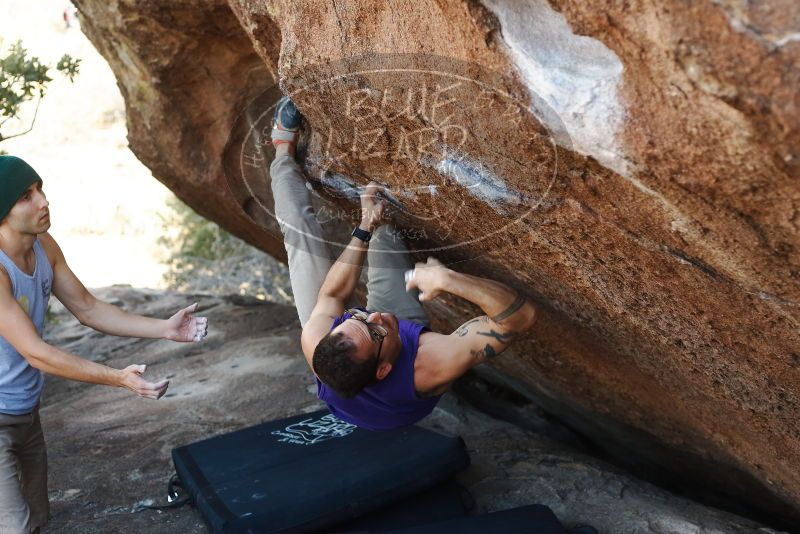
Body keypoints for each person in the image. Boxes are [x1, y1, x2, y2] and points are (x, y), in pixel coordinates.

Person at [269, 96, 537, 431]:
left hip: (365, 356)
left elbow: (332, 296)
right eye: (374, 328)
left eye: (359, 318)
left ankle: (281, 151)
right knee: (390, 246)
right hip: (396, 395)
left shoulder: (321, 340)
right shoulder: (431, 365)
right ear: (384, 369)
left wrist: (365, 226)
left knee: (319, 233)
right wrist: (449, 279)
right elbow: (520, 318)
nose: (377, 314)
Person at [0, 155, 208, 533]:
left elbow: (88, 307)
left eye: (39, 189)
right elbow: (36, 352)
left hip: (24, 410)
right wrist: (119, 378)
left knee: (35, 520)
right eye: (25, 197)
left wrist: (164, 328)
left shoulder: (44, 246)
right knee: (14, 524)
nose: (43, 201)